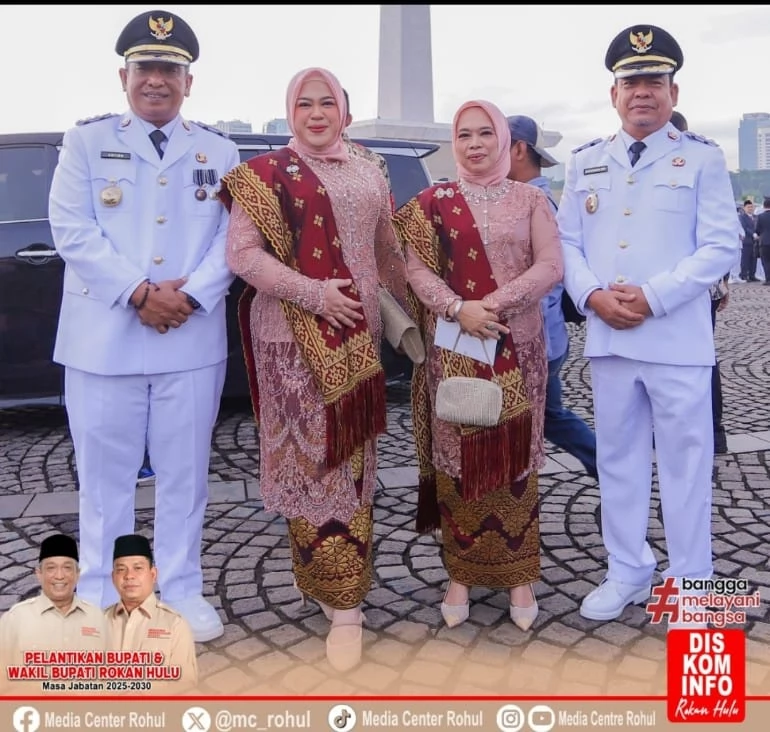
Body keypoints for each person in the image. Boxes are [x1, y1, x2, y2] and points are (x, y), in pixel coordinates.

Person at [48, 9, 240, 642]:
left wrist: (192, 296)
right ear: (123, 77)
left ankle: (180, 590)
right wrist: (138, 293)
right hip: (104, 342)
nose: (157, 79)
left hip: (190, 339)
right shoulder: (85, 142)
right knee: (105, 483)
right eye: (145, 67)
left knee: (185, 477)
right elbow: (72, 229)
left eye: (170, 69)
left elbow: (232, 239)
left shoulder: (219, 150)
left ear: (189, 83)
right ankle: (102, 596)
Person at [219, 67, 408, 672]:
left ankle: (346, 598)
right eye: (305, 103)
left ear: (345, 113)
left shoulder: (369, 172)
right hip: (289, 339)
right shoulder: (265, 174)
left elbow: (388, 252)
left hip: (356, 341)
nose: (317, 113)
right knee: (309, 465)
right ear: (290, 111)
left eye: (328, 103)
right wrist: (313, 294)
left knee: (348, 466)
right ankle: (325, 584)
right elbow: (242, 255)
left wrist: (436, 307)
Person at [557, 25, 739, 624]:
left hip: (677, 341)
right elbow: (566, 242)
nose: (642, 91)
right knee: (618, 461)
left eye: (654, 81)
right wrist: (591, 296)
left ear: (673, 92)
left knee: (687, 465)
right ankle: (627, 570)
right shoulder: (586, 161)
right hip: (610, 339)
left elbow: (721, 245)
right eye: (631, 81)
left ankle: (690, 583)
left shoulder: (703, 158)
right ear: (613, 94)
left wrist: (654, 297)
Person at [393, 100, 563, 632]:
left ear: (505, 141)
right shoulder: (431, 204)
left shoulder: (531, 199)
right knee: (459, 455)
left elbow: (550, 265)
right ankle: (460, 574)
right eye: (464, 134)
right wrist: (455, 308)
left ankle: (519, 575)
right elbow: (413, 268)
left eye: (485, 133)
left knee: (514, 456)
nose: (474, 144)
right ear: (454, 142)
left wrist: (492, 304)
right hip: (456, 346)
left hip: (518, 346)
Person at [506, 114, 598, 480]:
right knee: (551, 416)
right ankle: (612, 472)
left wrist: (529, 344)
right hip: (548, 337)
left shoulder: (534, 202)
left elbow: (547, 279)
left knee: (527, 419)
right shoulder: (532, 198)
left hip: (538, 337)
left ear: (518, 149)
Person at [670, 110, 730, 455]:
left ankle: (710, 430)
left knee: (699, 358)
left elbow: (717, 238)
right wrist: (723, 283)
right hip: (704, 286)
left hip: (692, 288)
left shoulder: (699, 164)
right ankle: (711, 430)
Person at [0, 534, 106, 691]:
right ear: (39, 574)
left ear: (77, 574)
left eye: (67, 568)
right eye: (51, 568)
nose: (59, 576)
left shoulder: (97, 617)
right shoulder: (16, 619)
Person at [105, 534, 198, 694]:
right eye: (121, 570)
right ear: (113, 578)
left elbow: (184, 686)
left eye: (138, 568)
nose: (129, 576)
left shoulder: (174, 625)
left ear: (153, 575)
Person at [738, 199, 758, 282]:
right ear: (744, 208)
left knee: (754, 259)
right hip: (746, 241)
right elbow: (744, 228)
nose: (750, 208)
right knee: (745, 259)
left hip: (755, 241)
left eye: (751, 207)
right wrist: (753, 234)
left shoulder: (756, 217)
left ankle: (752, 275)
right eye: (748, 207)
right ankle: (744, 275)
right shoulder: (742, 217)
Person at [754, 197, 770, 284]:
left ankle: (768, 279)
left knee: (765, 261)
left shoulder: (760, 216)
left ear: (764, 206)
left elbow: (757, 230)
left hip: (764, 242)